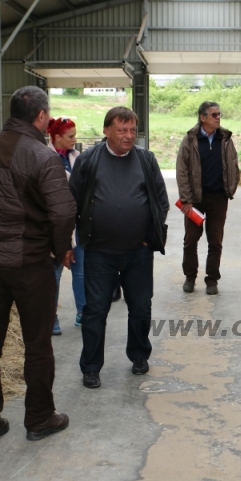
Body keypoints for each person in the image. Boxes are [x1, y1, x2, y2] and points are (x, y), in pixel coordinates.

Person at [0, 86, 76, 446]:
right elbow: (63, 211)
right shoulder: (42, 156)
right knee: (37, 344)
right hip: (30, 263)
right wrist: (59, 251)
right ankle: (39, 417)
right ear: (41, 116)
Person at [69, 107, 169, 389]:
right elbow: (73, 202)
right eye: (122, 130)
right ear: (107, 131)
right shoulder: (89, 160)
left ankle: (139, 355)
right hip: (100, 252)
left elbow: (160, 201)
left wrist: (150, 235)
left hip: (138, 252)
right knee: (95, 310)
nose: (128, 136)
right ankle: (91, 367)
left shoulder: (146, 160)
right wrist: (68, 241)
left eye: (132, 130)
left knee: (140, 306)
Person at [176, 101, 240, 296]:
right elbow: (182, 170)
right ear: (203, 118)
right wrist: (186, 199)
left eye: (219, 114)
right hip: (195, 200)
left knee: (215, 241)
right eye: (214, 115)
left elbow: (234, 165)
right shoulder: (190, 139)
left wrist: (231, 187)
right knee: (191, 240)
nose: (218, 117)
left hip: (219, 198)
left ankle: (212, 280)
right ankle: (190, 277)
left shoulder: (226, 139)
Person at [47, 117, 84, 335]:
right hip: (56, 223)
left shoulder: (77, 157)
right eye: (71, 136)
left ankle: (83, 313)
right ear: (57, 137)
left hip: (77, 221)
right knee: (55, 272)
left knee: (81, 269)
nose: (75, 140)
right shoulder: (45, 157)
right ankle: (51, 318)